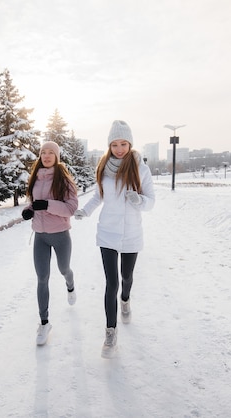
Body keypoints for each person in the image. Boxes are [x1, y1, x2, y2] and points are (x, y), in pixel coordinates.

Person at [74, 120, 155, 358]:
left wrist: (140, 201)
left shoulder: (141, 169)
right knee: (111, 282)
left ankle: (126, 300)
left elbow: (151, 200)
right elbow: (98, 197)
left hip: (131, 234)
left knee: (126, 277)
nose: (119, 149)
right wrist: (84, 211)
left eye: (123, 144)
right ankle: (110, 333)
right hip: (107, 234)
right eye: (114, 144)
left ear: (130, 143)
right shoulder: (104, 168)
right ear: (109, 145)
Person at [22, 141, 79, 346]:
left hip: (60, 234)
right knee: (42, 278)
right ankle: (44, 323)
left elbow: (71, 208)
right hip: (40, 236)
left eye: (50, 153)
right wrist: (30, 209)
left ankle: (70, 285)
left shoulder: (64, 181)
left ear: (56, 156)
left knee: (64, 269)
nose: (46, 156)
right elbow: (34, 201)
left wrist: (47, 205)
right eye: (43, 153)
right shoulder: (35, 178)